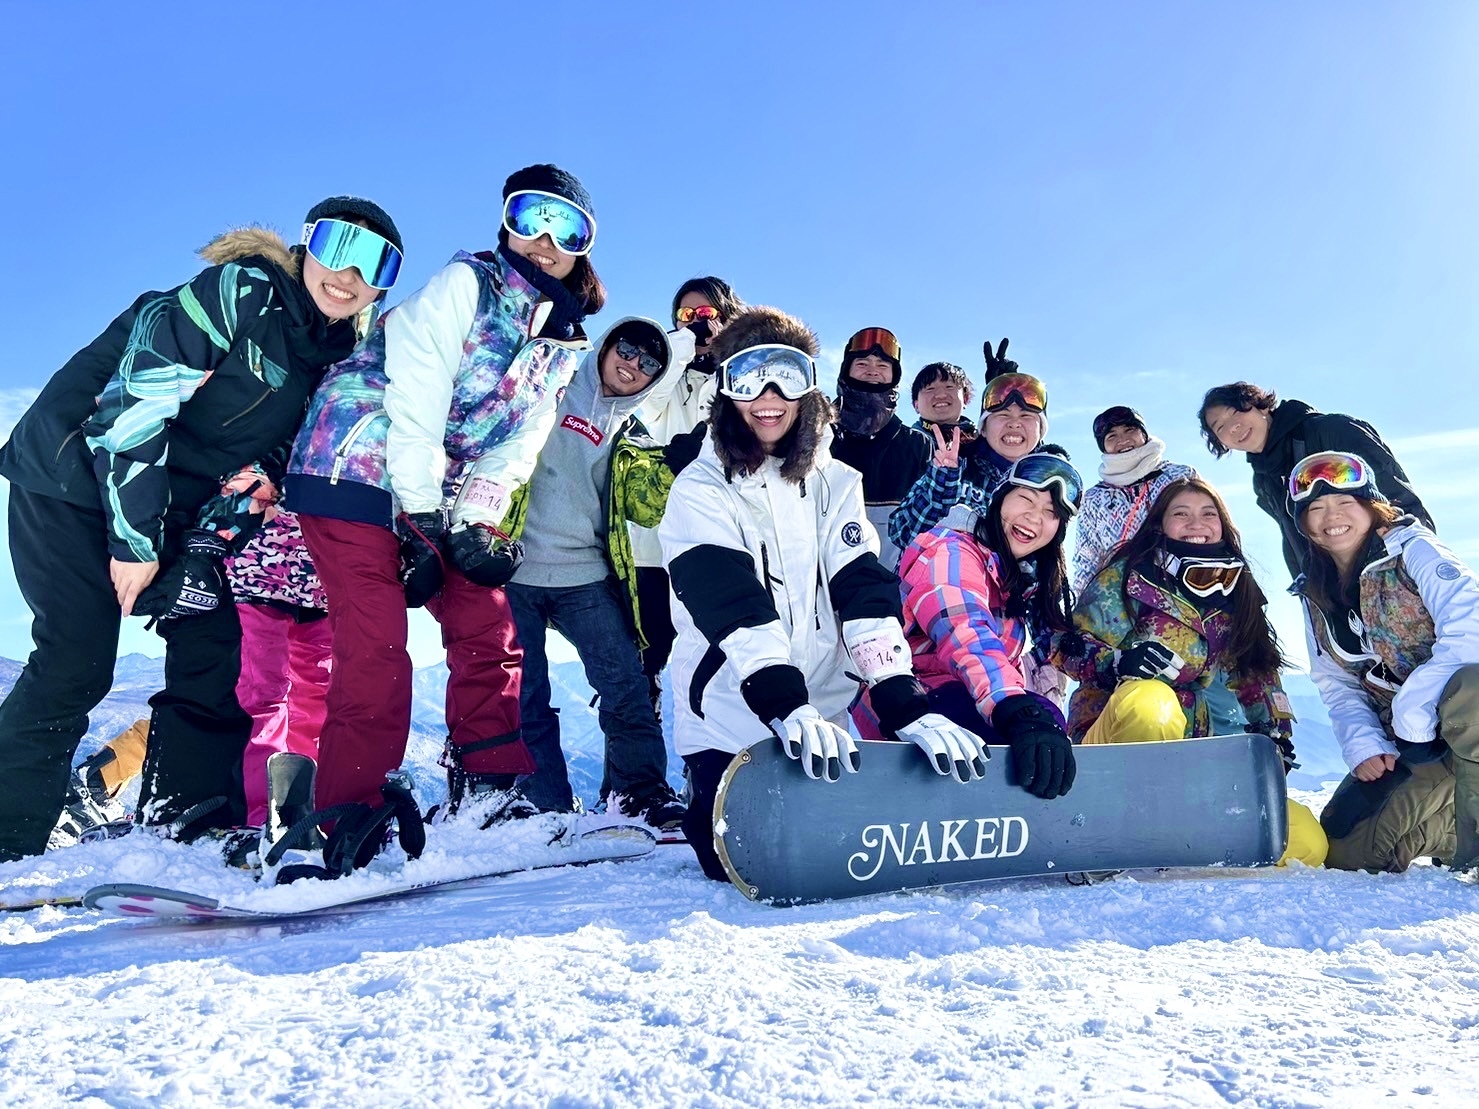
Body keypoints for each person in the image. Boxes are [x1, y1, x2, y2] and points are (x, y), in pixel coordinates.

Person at [0, 194, 399, 862]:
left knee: (216, 647)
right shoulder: (239, 292)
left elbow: (262, 470)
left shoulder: (329, 357)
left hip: (169, 511)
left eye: (376, 264)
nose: (350, 274)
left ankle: (185, 825)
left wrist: (207, 546)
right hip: (71, 483)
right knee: (75, 663)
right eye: (338, 247)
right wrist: (134, 543)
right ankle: (10, 846)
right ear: (306, 246)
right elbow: (134, 408)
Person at [287, 164, 603, 828]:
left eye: (566, 229)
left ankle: (488, 787)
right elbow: (417, 395)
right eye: (530, 218)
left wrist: (475, 521)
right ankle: (347, 809)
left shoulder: (565, 340)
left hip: (433, 488)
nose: (545, 241)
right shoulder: (468, 284)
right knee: (376, 645)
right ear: (505, 224)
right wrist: (425, 513)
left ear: (583, 246)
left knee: (488, 622)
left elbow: (520, 441)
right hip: (353, 465)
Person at [659, 307, 988, 881]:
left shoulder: (836, 481)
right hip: (732, 709)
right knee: (745, 861)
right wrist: (784, 703)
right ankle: (702, 796)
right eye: (748, 377)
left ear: (808, 387)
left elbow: (860, 587)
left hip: (820, 712)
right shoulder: (701, 486)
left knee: (837, 853)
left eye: (786, 375)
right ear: (725, 390)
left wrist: (901, 696)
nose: (768, 396)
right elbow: (730, 602)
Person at [1055, 478, 1325, 866]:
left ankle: (1183, 836)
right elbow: (1067, 646)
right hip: (1116, 755)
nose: (1196, 524)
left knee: (1307, 844)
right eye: (1181, 514)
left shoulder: (1239, 591)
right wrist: (1115, 662)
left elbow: (1258, 674)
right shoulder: (1127, 578)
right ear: (1160, 524)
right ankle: (1120, 826)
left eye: (1208, 514)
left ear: (1223, 525)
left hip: (1202, 765)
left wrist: (1274, 738)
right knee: (1151, 701)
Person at [499, 316, 687, 834]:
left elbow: (647, 508)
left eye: (649, 363)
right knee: (525, 694)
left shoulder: (631, 432)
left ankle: (638, 796)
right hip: (511, 567)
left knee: (625, 684)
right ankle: (543, 806)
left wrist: (674, 465)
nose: (633, 365)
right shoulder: (548, 389)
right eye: (627, 350)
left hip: (584, 575)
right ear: (605, 346)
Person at [1290, 451, 1479, 873]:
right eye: (1316, 508)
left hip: (1458, 722)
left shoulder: (1414, 549)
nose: (1331, 516)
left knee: (1474, 687)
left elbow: (1472, 631)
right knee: (1348, 852)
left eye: (1345, 502)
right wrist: (1364, 743)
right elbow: (1336, 682)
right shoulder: (1314, 591)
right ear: (1304, 525)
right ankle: (1456, 830)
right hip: (1411, 743)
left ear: (1371, 506)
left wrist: (1414, 710)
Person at [884, 453, 1084, 802]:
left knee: (1047, 720)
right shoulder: (950, 550)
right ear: (999, 499)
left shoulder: (1015, 578)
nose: (1034, 518)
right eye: (1026, 499)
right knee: (1020, 723)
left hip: (963, 702)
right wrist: (1013, 707)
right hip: (908, 706)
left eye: (1051, 513)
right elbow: (965, 631)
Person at [629, 277, 745, 713]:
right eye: (686, 315)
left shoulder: (740, 378)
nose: (698, 323)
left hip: (715, 540)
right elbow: (646, 402)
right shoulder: (665, 376)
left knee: (716, 660)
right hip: (651, 547)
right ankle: (635, 757)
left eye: (708, 314)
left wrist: (725, 351)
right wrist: (682, 345)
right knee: (641, 667)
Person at [1198, 382, 1430, 581]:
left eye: (1236, 412)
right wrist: (1307, 588)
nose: (1233, 427)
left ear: (1262, 407)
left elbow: (1397, 495)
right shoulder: (1263, 481)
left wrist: (1419, 562)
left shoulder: (1330, 431)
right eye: (1220, 427)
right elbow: (1293, 539)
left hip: (1390, 574)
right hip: (1334, 592)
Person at [888, 345, 1048, 556]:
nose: (1014, 423)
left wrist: (1004, 387)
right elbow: (902, 533)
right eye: (930, 389)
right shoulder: (917, 449)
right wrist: (942, 482)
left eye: (1026, 416)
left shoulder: (1045, 483)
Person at [227, 511, 333, 827]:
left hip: (321, 580)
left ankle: (307, 806)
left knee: (319, 701)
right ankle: (257, 814)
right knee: (259, 695)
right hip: (255, 571)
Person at [829, 327, 931, 571]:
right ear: (846, 371)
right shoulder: (817, 436)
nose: (873, 370)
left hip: (894, 586)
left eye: (883, 365)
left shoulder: (917, 445)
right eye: (862, 363)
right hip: (821, 585)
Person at [1072, 405, 1198, 591]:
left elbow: (1209, 527)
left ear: (1144, 434)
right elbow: (1087, 560)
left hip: (1184, 587)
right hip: (1121, 596)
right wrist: (1082, 603)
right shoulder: (1094, 498)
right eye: (1111, 436)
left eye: (1130, 430)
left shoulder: (1180, 476)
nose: (1122, 440)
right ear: (1103, 447)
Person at [910, 361, 976, 441]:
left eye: (949, 387)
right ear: (916, 405)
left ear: (965, 399)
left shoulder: (985, 440)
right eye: (930, 389)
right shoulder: (902, 444)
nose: (941, 395)